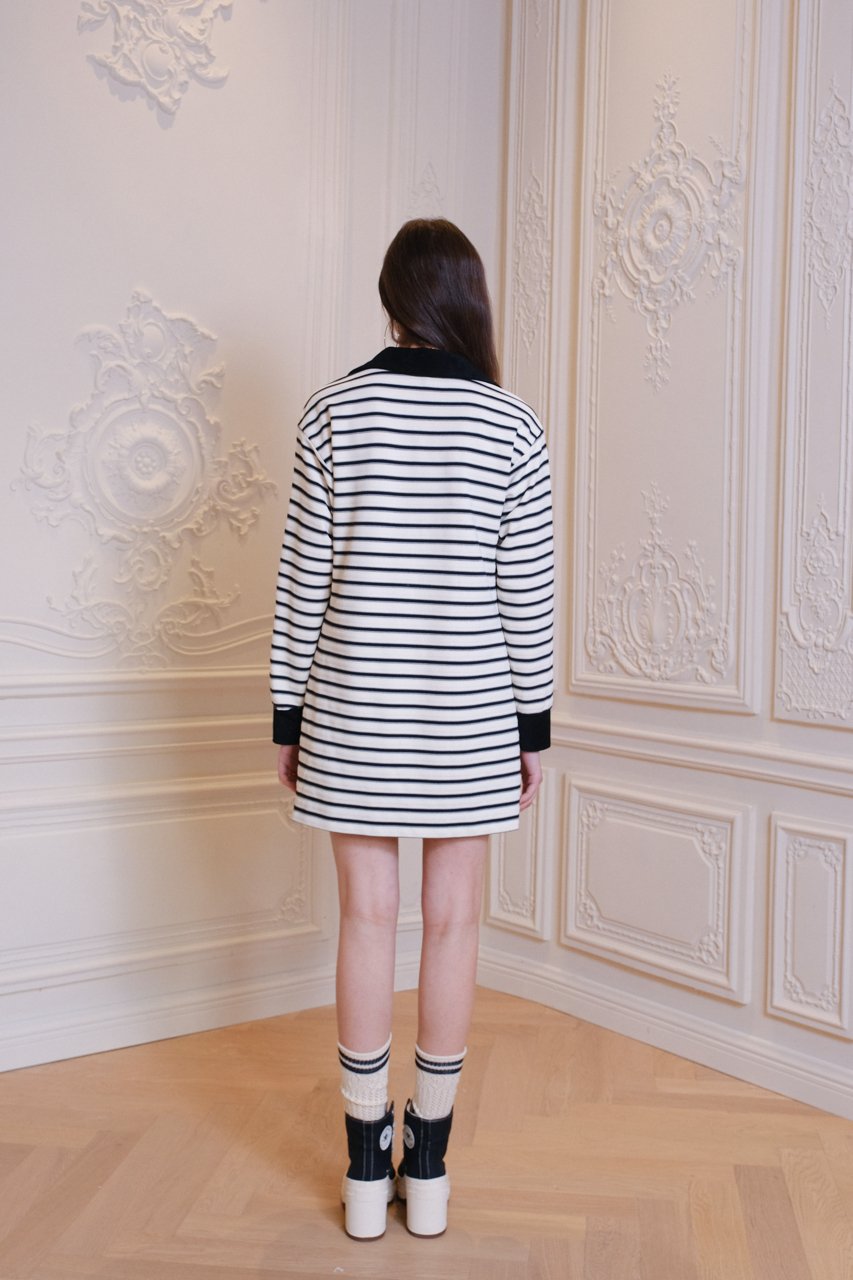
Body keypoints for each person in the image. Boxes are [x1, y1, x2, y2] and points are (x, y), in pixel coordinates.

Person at [270, 218, 554, 1240]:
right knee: (451, 923)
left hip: (353, 710)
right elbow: (526, 596)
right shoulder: (511, 425)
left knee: (364, 921)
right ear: (467, 298)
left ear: (391, 298)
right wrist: (532, 728)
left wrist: (286, 713)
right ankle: (426, 1161)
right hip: (470, 717)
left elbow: (301, 583)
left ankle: (364, 1162)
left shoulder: (332, 412)